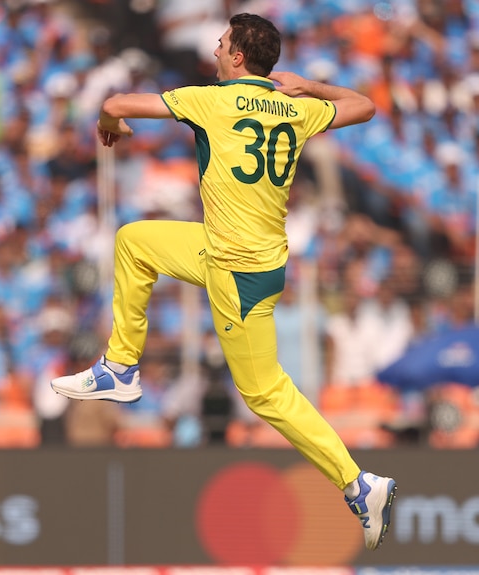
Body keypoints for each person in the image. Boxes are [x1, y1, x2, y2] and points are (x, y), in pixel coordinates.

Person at [50, 13, 397, 551]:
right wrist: (312, 86)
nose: (214, 49)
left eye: (221, 43)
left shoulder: (212, 100)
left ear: (237, 57)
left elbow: (116, 105)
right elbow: (366, 106)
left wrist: (112, 124)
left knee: (265, 394)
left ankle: (358, 485)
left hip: (238, 271)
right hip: (232, 252)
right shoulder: (295, 108)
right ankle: (120, 367)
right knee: (135, 241)